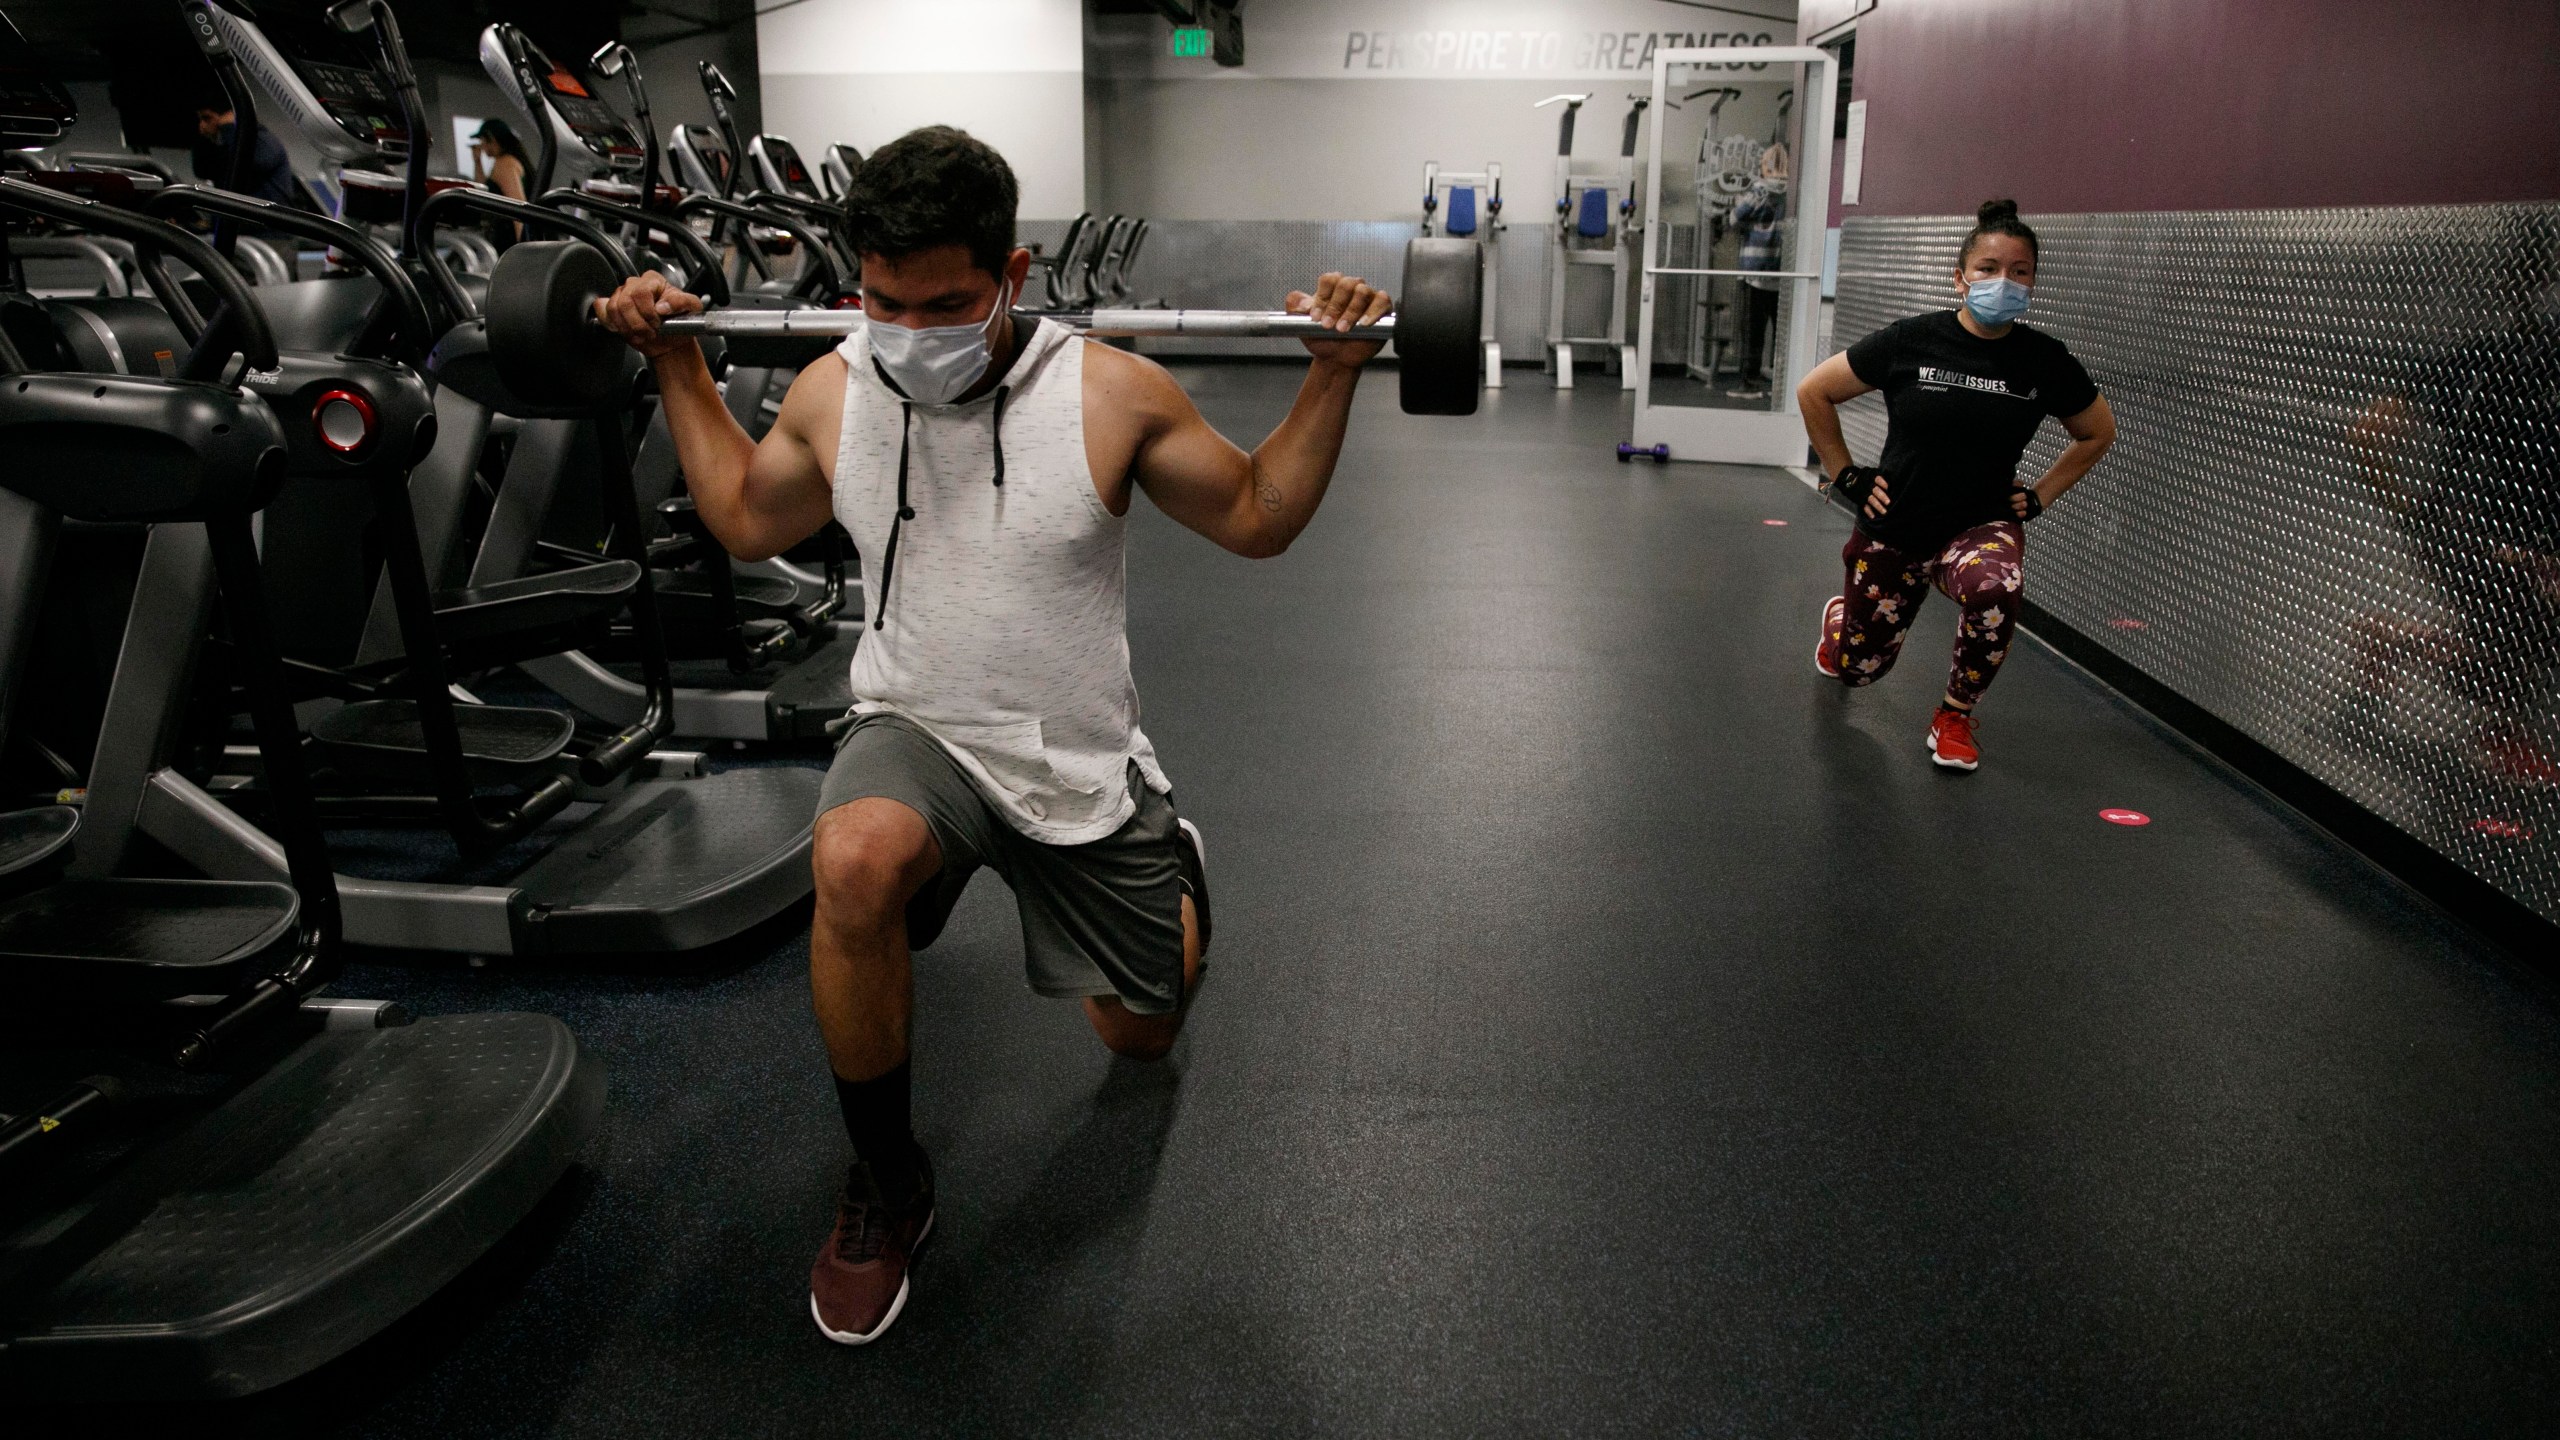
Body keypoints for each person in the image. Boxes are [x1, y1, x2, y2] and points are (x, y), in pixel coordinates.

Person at [593, 126, 1390, 1346]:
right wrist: (678, 369)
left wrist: (1329, 373)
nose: (908, 328)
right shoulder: (834, 387)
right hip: (915, 723)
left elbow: (1255, 516)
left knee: (1140, 1034)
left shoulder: (1110, 392)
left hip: (1070, 754)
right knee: (850, 865)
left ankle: (1170, 867)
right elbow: (752, 520)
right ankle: (889, 1182)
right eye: (881, 299)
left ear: (1010, 274)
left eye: (946, 302)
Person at [1795, 198, 2118, 770]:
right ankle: (1841, 624)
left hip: (1980, 523)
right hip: (1897, 524)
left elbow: (2096, 432)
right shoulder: (1911, 340)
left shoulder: (2044, 361)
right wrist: (1845, 474)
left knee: (1996, 591)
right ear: (1961, 277)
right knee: (1859, 669)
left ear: (2033, 283)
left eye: (2020, 272)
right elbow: (1814, 392)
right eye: (1989, 269)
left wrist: (2040, 495)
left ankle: (1954, 716)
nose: (2004, 282)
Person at [190, 102, 307, 210]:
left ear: (229, 117)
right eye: (200, 120)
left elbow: (250, 162)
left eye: (207, 119)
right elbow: (202, 171)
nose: (202, 126)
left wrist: (229, 127)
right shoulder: (225, 148)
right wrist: (203, 138)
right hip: (240, 225)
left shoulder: (263, 140)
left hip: (268, 227)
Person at [468, 118, 531, 248]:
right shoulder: (502, 162)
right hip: (505, 235)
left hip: (510, 238)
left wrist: (524, 244)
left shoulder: (505, 164)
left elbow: (518, 205)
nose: (481, 145)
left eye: (483, 140)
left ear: (492, 139)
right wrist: (477, 161)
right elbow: (483, 190)